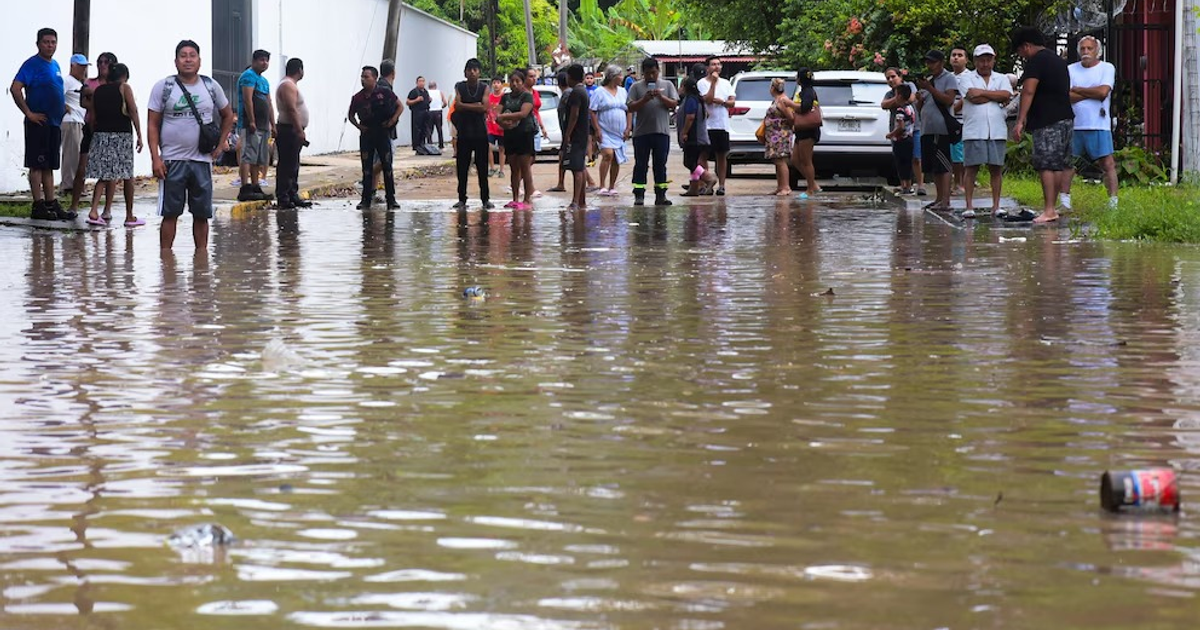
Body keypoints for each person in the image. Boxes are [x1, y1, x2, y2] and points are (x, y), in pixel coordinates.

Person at [148, 39, 234, 251]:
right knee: (170, 214)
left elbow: (228, 115)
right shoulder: (164, 87)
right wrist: (155, 158)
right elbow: (152, 123)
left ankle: (201, 262)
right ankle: (166, 262)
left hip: (201, 161)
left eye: (192, 55)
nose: (188, 60)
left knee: (202, 214)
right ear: (176, 61)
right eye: (183, 56)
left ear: (199, 60)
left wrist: (221, 144)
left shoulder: (211, 86)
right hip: (171, 161)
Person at [1011, 26, 1074, 223]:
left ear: (1027, 46)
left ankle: (1048, 209)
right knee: (1057, 164)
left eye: (1020, 51)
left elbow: (1028, 91)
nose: (1021, 56)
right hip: (1066, 118)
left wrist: (1020, 120)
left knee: (1046, 164)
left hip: (1047, 120)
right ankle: (1052, 208)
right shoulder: (1058, 60)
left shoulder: (1036, 61)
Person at [12, 28, 72, 221]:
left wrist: (62, 106)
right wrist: (28, 113)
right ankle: (37, 205)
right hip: (38, 122)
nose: (50, 45)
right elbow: (15, 88)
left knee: (49, 166)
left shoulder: (55, 65)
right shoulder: (32, 64)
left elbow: (52, 90)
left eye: (53, 42)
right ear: (38, 44)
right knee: (36, 165)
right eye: (46, 42)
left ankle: (50, 203)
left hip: (54, 123)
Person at [956, 44, 1013, 218]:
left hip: (996, 129)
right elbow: (972, 96)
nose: (985, 64)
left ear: (994, 60)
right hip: (974, 129)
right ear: (975, 61)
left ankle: (996, 206)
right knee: (971, 168)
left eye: (988, 60)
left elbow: (1007, 95)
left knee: (996, 168)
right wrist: (995, 96)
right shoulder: (966, 78)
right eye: (982, 60)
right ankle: (969, 206)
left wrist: (985, 94)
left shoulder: (1002, 78)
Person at [1062, 35, 1118, 210]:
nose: (1086, 52)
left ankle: (1113, 203)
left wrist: (1078, 90)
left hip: (1099, 124)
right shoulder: (1070, 69)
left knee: (1107, 164)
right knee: (1069, 164)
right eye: (1083, 49)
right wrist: (1090, 92)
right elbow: (1066, 96)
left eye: (1089, 48)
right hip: (1075, 124)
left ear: (1098, 52)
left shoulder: (1107, 68)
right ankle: (1064, 202)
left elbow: (1103, 92)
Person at [84, 62, 143, 227]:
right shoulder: (125, 88)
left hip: (101, 135)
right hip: (121, 136)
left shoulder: (98, 91)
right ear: (124, 76)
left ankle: (94, 211)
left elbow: (93, 116)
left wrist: (94, 134)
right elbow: (133, 110)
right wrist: (139, 134)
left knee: (104, 175)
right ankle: (129, 216)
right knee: (127, 176)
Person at [626, 57, 678, 206]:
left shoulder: (667, 85)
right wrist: (645, 99)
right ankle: (639, 194)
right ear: (643, 73)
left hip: (661, 132)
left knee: (660, 164)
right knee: (641, 164)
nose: (651, 76)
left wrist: (660, 96)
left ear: (658, 71)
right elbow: (630, 107)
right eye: (647, 73)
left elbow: (674, 104)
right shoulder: (636, 87)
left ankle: (661, 195)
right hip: (641, 133)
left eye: (653, 73)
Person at [349, 66, 401, 210]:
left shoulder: (384, 93)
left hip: (382, 133)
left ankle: (391, 199)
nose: (363, 80)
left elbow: (399, 106)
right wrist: (359, 127)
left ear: (375, 78)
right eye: (362, 77)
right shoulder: (358, 97)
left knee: (387, 166)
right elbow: (351, 115)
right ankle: (365, 199)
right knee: (367, 169)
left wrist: (392, 120)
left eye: (366, 77)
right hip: (367, 135)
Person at [914, 50, 959, 211]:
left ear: (941, 62)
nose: (929, 65)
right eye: (928, 62)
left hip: (941, 129)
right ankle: (939, 198)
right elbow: (921, 107)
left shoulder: (949, 78)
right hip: (927, 128)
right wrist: (920, 99)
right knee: (934, 167)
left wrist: (929, 88)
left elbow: (949, 100)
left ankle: (946, 201)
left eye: (932, 62)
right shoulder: (929, 80)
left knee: (943, 165)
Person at [451, 58, 492, 210]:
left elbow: (484, 108)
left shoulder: (484, 87)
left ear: (479, 72)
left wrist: (466, 106)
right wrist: (476, 105)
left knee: (483, 168)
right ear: (465, 72)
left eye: (475, 70)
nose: (472, 72)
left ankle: (485, 199)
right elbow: (457, 105)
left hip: (480, 132)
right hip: (464, 132)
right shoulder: (460, 86)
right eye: (470, 70)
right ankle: (462, 198)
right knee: (462, 168)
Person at [236, 50, 274, 202]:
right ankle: (245, 187)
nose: (264, 63)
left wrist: (273, 123)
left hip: (264, 125)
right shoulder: (248, 76)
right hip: (250, 124)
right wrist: (251, 120)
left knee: (259, 158)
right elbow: (247, 100)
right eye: (261, 60)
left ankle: (255, 185)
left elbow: (269, 103)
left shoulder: (264, 81)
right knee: (248, 155)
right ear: (254, 61)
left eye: (266, 60)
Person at [496, 68, 537, 209]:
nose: (514, 84)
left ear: (522, 82)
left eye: (517, 81)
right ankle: (515, 198)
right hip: (510, 135)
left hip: (525, 133)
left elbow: (523, 113)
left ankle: (527, 199)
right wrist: (502, 122)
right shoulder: (505, 97)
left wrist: (504, 117)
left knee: (525, 167)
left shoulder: (527, 96)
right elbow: (497, 114)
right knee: (513, 168)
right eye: (512, 81)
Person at [882, 67, 925, 196]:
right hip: (897, 133)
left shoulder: (909, 86)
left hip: (913, 129)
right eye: (888, 78)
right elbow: (884, 104)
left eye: (893, 76)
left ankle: (920, 185)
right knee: (901, 159)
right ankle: (904, 185)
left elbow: (911, 98)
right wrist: (898, 98)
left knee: (916, 158)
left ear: (900, 76)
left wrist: (897, 99)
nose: (891, 80)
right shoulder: (890, 93)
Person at [275, 57, 311, 209]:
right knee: (287, 164)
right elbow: (291, 109)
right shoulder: (287, 85)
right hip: (289, 129)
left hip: (292, 129)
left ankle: (292, 194)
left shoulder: (290, 85)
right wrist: (298, 129)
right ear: (300, 70)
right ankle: (283, 196)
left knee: (293, 163)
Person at [697, 55, 735, 195]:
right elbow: (707, 99)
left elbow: (732, 102)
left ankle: (722, 185)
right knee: (703, 156)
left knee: (721, 156)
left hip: (722, 124)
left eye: (718, 64)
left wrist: (722, 102)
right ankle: (705, 183)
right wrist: (713, 83)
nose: (716, 67)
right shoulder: (702, 83)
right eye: (713, 64)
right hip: (707, 125)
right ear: (707, 67)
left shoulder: (726, 83)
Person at [590, 64, 630, 196]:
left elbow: (629, 110)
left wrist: (628, 127)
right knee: (608, 154)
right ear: (613, 77)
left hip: (619, 131)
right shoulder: (599, 92)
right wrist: (597, 130)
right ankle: (602, 185)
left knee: (616, 158)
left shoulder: (623, 92)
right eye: (620, 75)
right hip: (605, 129)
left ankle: (612, 186)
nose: (621, 77)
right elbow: (592, 111)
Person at [678, 77, 718, 197]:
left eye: (681, 86)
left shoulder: (691, 99)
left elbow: (690, 116)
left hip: (694, 137)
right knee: (694, 162)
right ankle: (693, 189)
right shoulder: (698, 99)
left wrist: (684, 132)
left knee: (689, 162)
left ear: (685, 87)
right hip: (700, 136)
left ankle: (708, 178)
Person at [560, 64, 591, 210]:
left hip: (576, 135)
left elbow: (574, 114)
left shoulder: (576, 93)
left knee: (577, 168)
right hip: (582, 134)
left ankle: (575, 201)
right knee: (581, 167)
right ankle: (582, 200)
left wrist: (568, 134)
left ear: (570, 77)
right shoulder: (582, 91)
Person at [60, 54, 89, 204]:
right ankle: (68, 185)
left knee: (77, 155)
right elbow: (58, 95)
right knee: (71, 155)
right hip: (71, 121)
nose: (83, 70)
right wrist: (65, 108)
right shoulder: (67, 81)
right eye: (80, 66)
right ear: (73, 66)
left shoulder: (79, 83)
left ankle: (74, 185)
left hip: (79, 121)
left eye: (85, 67)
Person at [791, 68, 822, 199]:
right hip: (800, 131)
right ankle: (813, 184)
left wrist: (790, 104)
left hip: (808, 131)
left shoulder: (808, 92)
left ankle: (810, 189)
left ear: (800, 79)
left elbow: (805, 108)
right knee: (795, 160)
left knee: (806, 161)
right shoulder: (803, 91)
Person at [762, 78, 796, 196]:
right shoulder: (777, 100)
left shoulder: (782, 100)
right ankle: (780, 186)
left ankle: (786, 187)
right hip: (774, 134)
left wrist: (785, 128)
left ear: (772, 88)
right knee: (777, 160)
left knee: (781, 160)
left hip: (780, 134)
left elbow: (791, 117)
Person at [886, 83, 916, 195]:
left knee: (901, 163)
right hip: (910, 139)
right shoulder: (910, 108)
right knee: (908, 163)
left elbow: (901, 127)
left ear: (899, 96)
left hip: (900, 140)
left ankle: (904, 185)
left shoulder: (900, 110)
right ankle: (909, 185)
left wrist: (891, 134)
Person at [948, 46, 970, 195]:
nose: (956, 58)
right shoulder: (948, 77)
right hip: (949, 121)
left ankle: (961, 184)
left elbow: (966, 96)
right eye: (953, 55)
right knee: (953, 154)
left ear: (966, 60)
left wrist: (953, 110)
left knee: (960, 154)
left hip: (964, 120)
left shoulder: (969, 76)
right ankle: (956, 183)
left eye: (960, 55)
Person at [486, 76, 506, 177]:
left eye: (498, 83)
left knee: (502, 149)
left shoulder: (505, 97)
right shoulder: (489, 97)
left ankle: (502, 170)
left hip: (501, 127)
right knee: (488, 146)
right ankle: (492, 167)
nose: (496, 85)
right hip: (490, 126)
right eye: (494, 83)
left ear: (502, 84)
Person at [406, 76, 431, 152]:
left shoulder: (425, 91)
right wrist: (416, 100)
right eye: (420, 81)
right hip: (417, 113)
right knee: (417, 130)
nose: (422, 83)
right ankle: (416, 146)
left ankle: (422, 144)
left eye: (423, 81)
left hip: (425, 112)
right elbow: (407, 102)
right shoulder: (414, 91)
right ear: (417, 82)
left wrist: (429, 100)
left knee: (424, 129)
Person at [427, 80, 447, 150]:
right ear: (435, 86)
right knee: (439, 128)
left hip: (430, 111)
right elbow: (445, 102)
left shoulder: (427, 92)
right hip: (438, 111)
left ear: (429, 86)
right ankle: (441, 144)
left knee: (429, 129)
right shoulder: (440, 92)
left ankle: (430, 143)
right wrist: (441, 107)